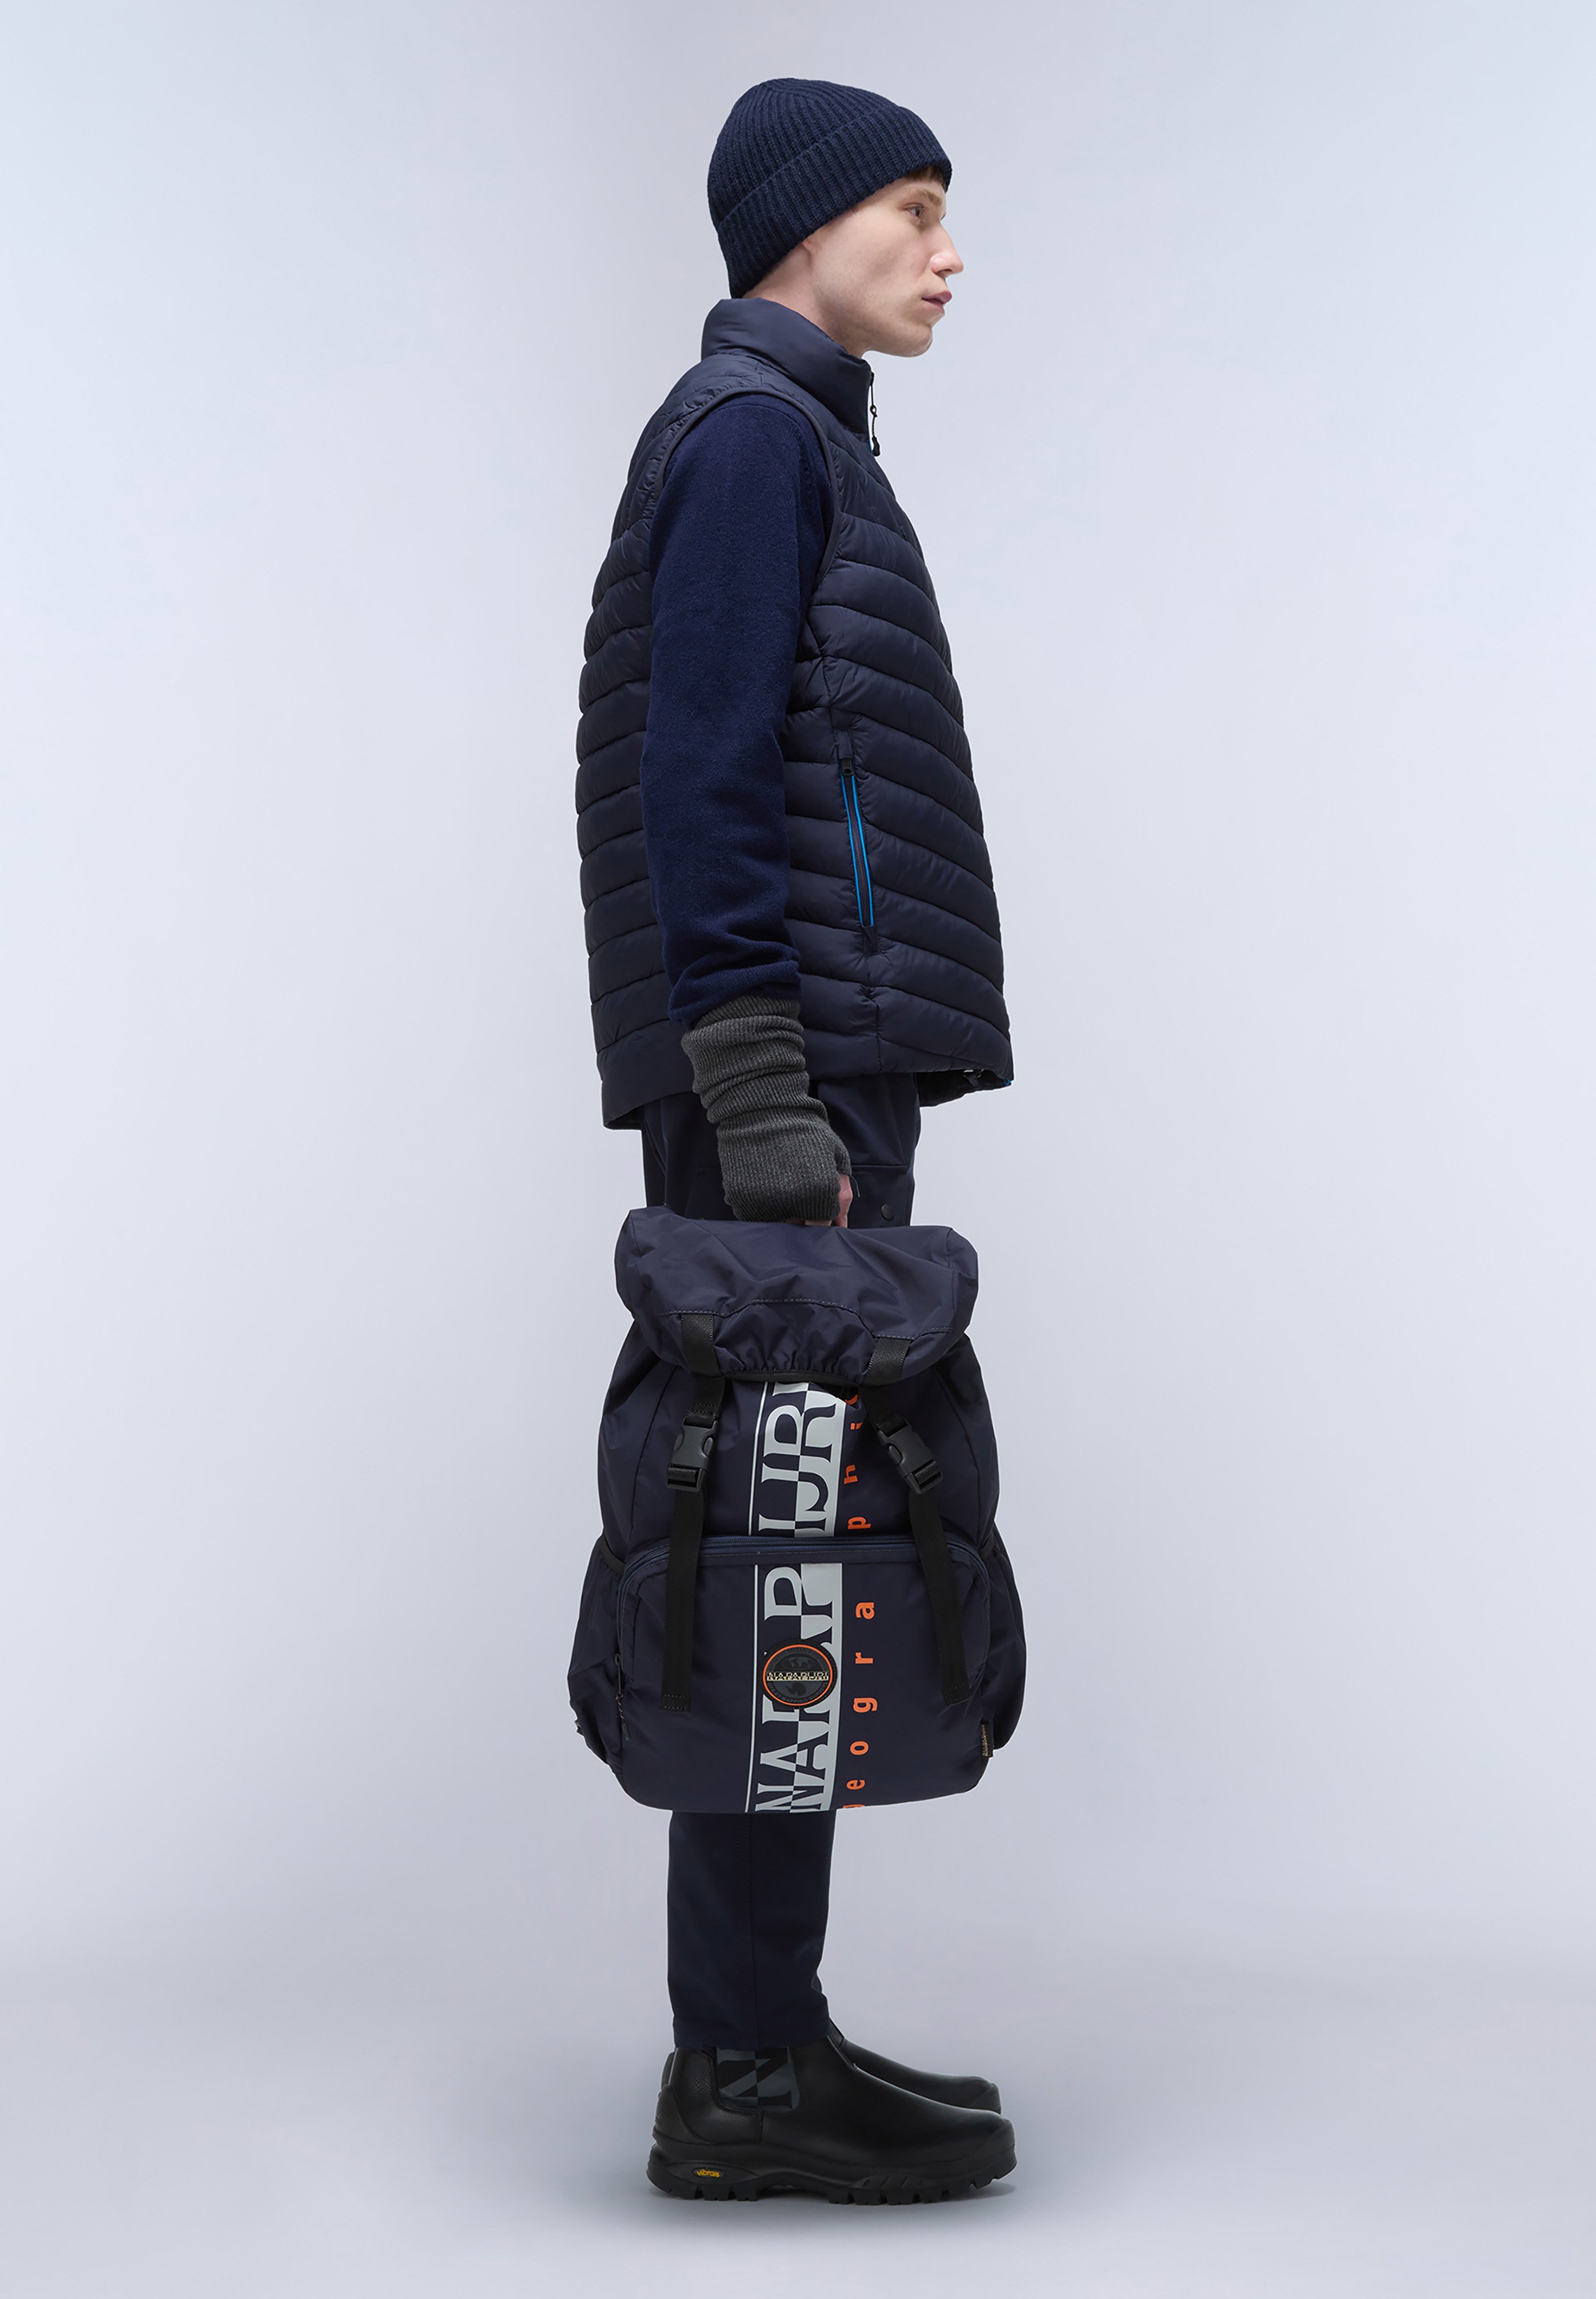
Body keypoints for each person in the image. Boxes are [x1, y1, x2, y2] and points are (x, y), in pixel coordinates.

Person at [574, 77, 1016, 2202]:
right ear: (802, 227)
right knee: (776, 1554)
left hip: (807, 1072)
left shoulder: (792, 437)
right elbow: (703, 768)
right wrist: (760, 1091)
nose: (947, 252)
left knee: (797, 1551)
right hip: (787, 1085)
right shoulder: (755, 439)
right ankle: (742, 2072)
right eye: (913, 210)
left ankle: (759, 2034)